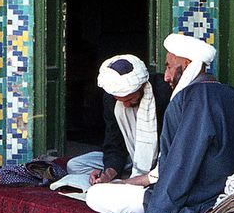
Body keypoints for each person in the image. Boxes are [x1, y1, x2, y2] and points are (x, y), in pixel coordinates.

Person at [85, 33, 234, 213]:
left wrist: (159, 211)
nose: (167, 77)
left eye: (169, 67)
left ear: (186, 65)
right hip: (224, 185)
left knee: (96, 196)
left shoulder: (193, 99)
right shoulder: (231, 93)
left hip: (204, 195)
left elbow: (180, 165)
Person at [66, 54, 171, 192]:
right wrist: (108, 174)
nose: (126, 105)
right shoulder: (111, 99)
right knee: (74, 165)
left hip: (159, 161)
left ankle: (134, 179)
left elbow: (172, 145)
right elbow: (114, 143)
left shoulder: (163, 93)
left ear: (142, 86)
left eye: (130, 99)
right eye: (121, 100)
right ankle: (125, 178)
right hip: (130, 158)